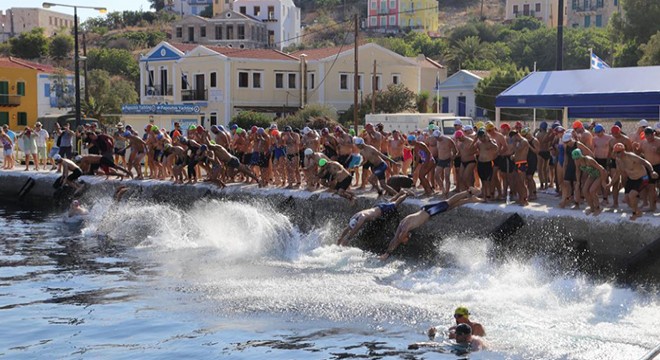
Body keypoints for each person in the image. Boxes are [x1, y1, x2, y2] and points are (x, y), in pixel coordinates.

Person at [379, 187, 483, 260]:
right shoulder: (402, 225)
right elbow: (395, 239)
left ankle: (469, 191)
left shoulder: (405, 227)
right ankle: (470, 199)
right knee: (449, 206)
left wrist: (391, 250)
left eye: (406, 239)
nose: (407, 240)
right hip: (426, 210)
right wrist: (387, 253)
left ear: (404, 235)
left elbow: (397, 240)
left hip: (430, 211)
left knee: (449, 202)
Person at [336, 190, 412, 246]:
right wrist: (340, 237)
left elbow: (356, 228)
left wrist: (348, 238)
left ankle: (406, 194)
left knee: (395, 203)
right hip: (377, 207)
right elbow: (348, 228)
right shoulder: (355, 216)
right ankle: (400, 192)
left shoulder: (362, 217)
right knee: (390, 201)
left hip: (382, 210)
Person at [609, 143, 659, 220]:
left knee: (632, 195)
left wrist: (652, 171)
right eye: (615, 152)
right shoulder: (618, 160)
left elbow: (645, 162)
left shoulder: (631, 156)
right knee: (626, 199)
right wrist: (610, 184)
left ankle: (635, 213)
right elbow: (617, 173)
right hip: (632, 179)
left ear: (623, 151)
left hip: (643, 178)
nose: (617, 154)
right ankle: (637, 211)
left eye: (618, 152)